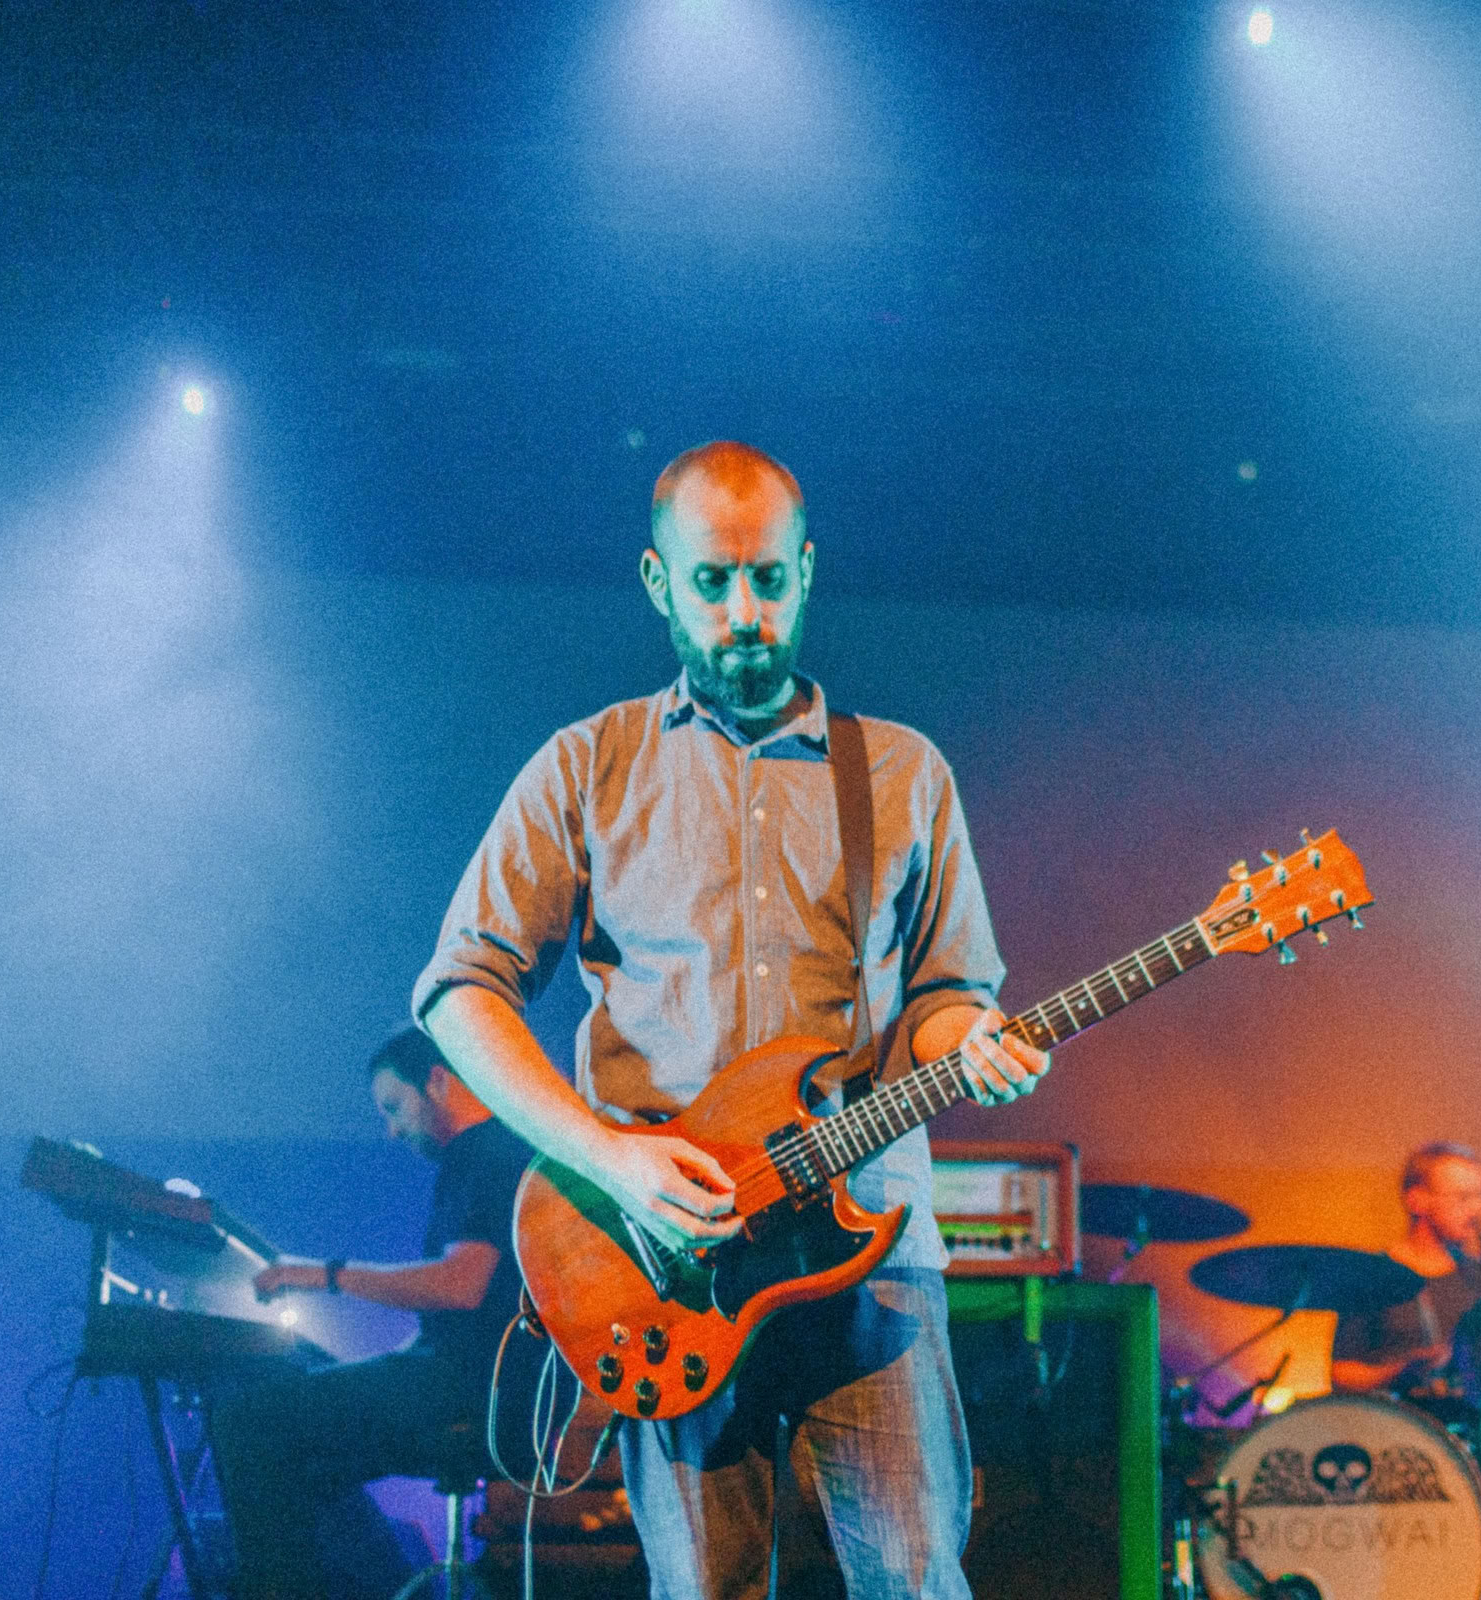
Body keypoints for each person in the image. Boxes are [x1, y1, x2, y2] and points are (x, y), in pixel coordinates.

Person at [411, 439, 1050, 1600]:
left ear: (808, 573)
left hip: (874, 1268)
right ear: (661, 585)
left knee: (917, 1583)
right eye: (711, 583)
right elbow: (460, 993)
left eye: (769, 580)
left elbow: (949, 995)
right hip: (675, 1269)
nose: (744, 612)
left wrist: (972, 1042)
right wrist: (610, 1156)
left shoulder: (903, 773)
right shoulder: (586, 769)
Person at [210, 1027, 541, 1600]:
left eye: (394, 1107)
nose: (391, 1129)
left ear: (437, 1081)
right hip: (481, 1385)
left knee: (250, 1422)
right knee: (305, 1467)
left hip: (483, 1396)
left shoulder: (487, 1152)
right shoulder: (488, 1153)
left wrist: (322, 1275)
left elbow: (461, 1287)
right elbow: (472, 1313)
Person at [1329, 1141, 1481, 1396]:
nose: (1477, 1209)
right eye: (1463, 1197)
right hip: (1398, 1426)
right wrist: (1402, 1370)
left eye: (1480, 1196)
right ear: (1417, 1201)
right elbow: (1341, 1375)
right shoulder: (1371, 1277)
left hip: (1470, 1428)